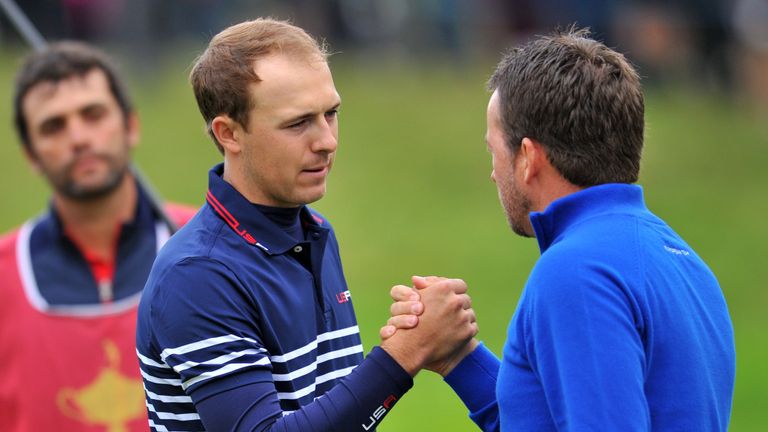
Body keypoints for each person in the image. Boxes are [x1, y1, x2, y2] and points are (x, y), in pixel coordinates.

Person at [384, 27, 736, 431]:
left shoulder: (577, 274)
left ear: (529, 158)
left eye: (494, 151)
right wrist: (459, 359)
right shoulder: (680, 259)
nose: (492, 174)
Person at [135, 18, 477, 432]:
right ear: (229, 133)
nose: (326, 140)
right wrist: (405, 353)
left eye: (330, 114)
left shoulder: (315, 232)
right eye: (298, 123)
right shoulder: (197, 275)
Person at [0, 42, 197, 431]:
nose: (78, 137)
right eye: (53, 126)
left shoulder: (213, 248)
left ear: (131, 126)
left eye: (93, 115)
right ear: (31, 155)